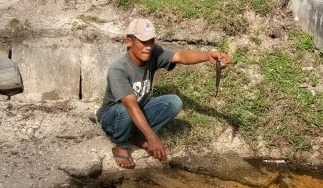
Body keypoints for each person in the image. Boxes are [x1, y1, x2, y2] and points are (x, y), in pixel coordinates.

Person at [97, 18, 231, 168]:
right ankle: (120, 145)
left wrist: (207, 55)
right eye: (143, 42)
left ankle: (136, 136)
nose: (148, 47)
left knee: (173, 102)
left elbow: (180, 56)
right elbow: (131, 107)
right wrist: (153, 138)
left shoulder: (153, 53)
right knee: (126, 110)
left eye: (151, 41)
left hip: (136, 109)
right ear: (129, 42)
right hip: (113, 117)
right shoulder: (118, 69)